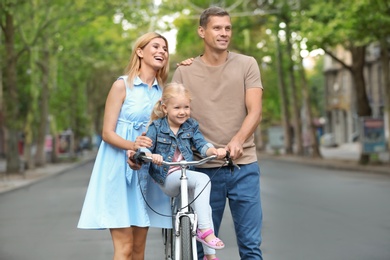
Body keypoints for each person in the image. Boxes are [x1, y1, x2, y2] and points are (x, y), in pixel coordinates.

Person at [172, 6, 264, 260]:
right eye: (217, 28)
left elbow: (255, 111)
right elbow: (173, 116)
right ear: (202, 31)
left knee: (250, 247)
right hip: (201, 171)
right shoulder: (184, 71)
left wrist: (238, 140)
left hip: (243, 166)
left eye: (227, 28)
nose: (224, 33)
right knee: (203, 249)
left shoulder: (247, 64)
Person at [77, 32, 171, 260]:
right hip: (118, 168)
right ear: (140, 51)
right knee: (125, 248)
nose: (162, 51)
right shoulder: (122, 85)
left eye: (165, 49)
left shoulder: (163, 92)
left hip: (145, 171)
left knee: (139, 250)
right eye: (155, 46)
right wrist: (133, 146)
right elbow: (107, 133)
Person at [137, 83, 226, 259]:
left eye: (186, 107)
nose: (182, 112)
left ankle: (210, 256)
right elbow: (145, 147)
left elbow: (201, 145)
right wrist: (150, 155)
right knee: (203, 179)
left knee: (205, 208)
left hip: (187, 174)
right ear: (165, 108)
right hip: (167, 176)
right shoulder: (157, 127)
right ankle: (205, 232)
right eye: (177, 107)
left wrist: (213, 151)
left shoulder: (190, 126)